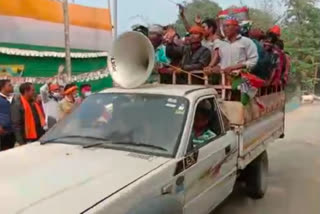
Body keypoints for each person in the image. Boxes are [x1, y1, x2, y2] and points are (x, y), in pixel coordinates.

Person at [0, 80, 15, 150]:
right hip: (2, 132)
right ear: (3, 87)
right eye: (9, 85)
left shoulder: (12, 98)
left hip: (12, 131)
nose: (12, 86)